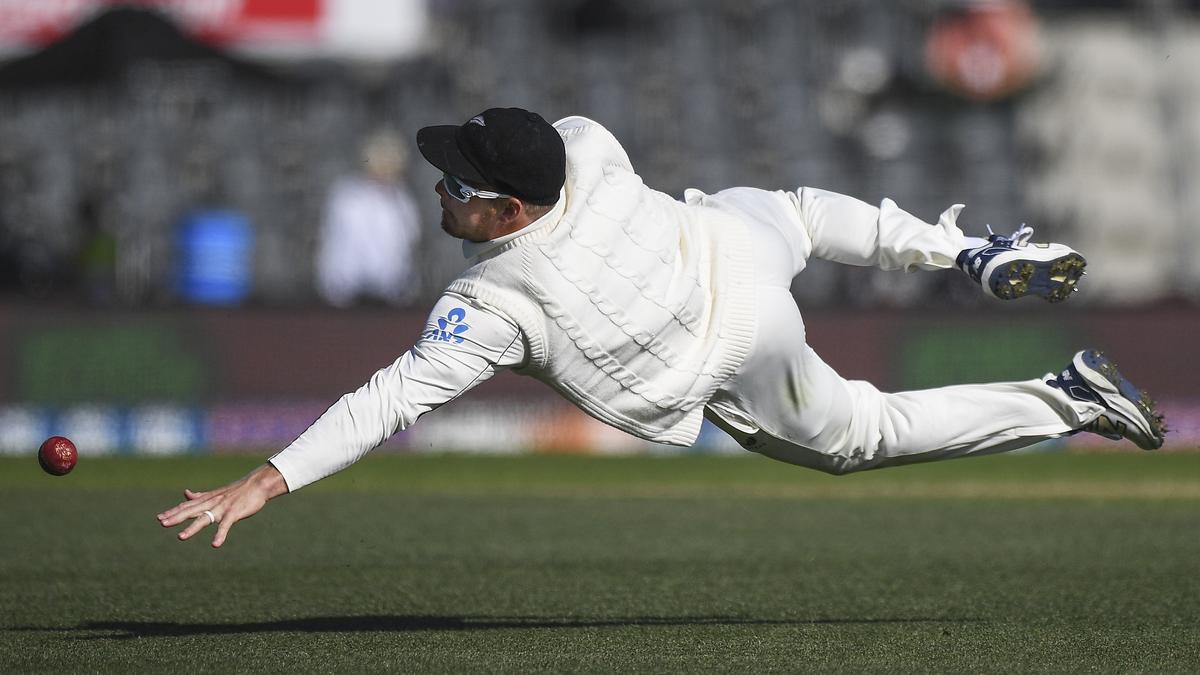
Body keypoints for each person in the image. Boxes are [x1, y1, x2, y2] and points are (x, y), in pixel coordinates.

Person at [158, 108, 1166, 548]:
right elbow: (550, 153)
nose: (439, 187)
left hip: (721, 347)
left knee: (865, 435)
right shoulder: (582, 145)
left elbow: (385, 403)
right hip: (730, 242)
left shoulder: (491, 307)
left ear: (508, 211)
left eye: (458, 182)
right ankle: (967, 253)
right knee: (804, 211)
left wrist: (268, 476)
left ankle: (1064, 397)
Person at [315, 129, 422, 307]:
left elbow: (409, 241)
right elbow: (338, 243)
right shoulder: (346, 194)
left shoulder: (402, 198)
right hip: (346, 293)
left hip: (390, 295)